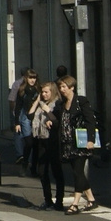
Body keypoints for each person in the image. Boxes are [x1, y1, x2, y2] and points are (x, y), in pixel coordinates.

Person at [58, 75, 99, 213]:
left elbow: (90, 121)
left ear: (71, 87)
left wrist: (91, 139)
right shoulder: (62, 104)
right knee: (78, 172)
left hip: (80, 143)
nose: (61, 89)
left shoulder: (81, 101)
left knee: (77, 172)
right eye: (60, 87)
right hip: (67, 144)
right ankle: (91, 200)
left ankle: (75, 204)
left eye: (64, 86)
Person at [30, 80, 64, 211]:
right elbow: (30, 115)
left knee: (57, 171)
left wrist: (48, 111)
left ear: (52, 92)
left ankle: (59, 202)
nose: (44, 94)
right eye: (42, 92)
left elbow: (57, 122)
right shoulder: (41, 104)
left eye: (46, 92)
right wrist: (38, 101)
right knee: (42, 171)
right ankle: (48, 200)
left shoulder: (58, 104)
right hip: (42, 140)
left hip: (53, 141)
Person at [11, 68, 39, 170]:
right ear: (26, 78)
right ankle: (25, 160)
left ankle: (33, 166)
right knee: (29, 142)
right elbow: (18, 106)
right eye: (30, 78)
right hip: (25, 118)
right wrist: (17, 123)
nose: (32, 80)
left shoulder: (38, 89)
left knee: (36, 143)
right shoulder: (22, 90)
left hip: (37, 118)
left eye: (34, 78)